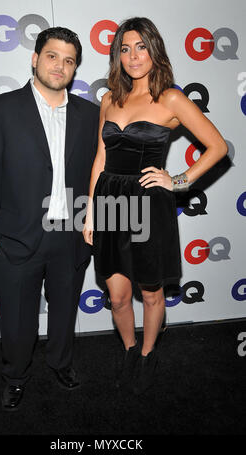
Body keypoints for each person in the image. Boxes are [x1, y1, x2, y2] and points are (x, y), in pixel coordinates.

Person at [83, 17, 227, 395]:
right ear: (118, 56)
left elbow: (218, 147)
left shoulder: (171, 97)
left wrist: (177, 180)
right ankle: (129, 349)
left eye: (141, 46)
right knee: (116, 295)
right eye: (125, 49)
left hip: (149, 204)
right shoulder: (110, 100)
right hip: (110, 201)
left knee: (150, 292)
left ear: (154, 49)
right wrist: (91, 213)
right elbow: (100, 158)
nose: (133, 56)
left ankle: (148, 353)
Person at [0, 27, 99, 411]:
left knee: (64, 313)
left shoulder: (91, 114)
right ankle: (15, 376)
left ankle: (61, 363)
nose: (60, 65)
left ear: (75, 68)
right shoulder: (0, 109)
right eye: (52, 56)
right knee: (16, 321)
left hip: (70, 236)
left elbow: (100, 174)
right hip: (15, 239)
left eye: (69, 59)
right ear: (35, 58)